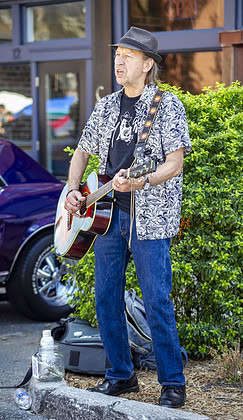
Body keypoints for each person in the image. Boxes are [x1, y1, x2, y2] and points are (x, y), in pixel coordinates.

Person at [64, 26, 192, 408]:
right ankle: (121, 375)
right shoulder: (105, 106)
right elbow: (82, 152)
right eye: (117, 54)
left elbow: (176, 163)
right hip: (105, 216)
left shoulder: (166, 106)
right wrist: (72, 189)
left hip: (149, 220)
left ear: (148, 64)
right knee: (105, 298)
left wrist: (144, 181)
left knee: (156, 300)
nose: (118, 61)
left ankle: (173, 383)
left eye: (128, 56)